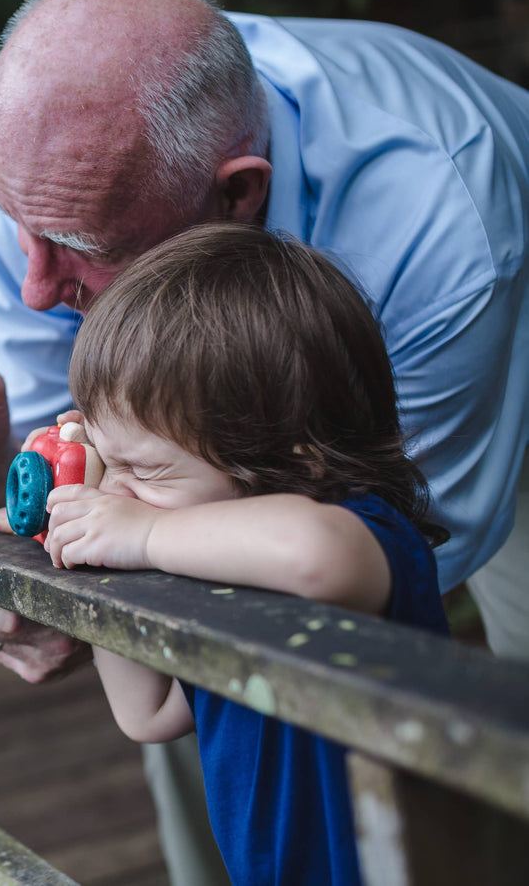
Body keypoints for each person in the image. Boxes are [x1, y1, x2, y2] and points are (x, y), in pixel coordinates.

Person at [0, 0, 529, 886]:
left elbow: (381, 538)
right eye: (20, 225)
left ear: (235, 196)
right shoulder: (49, 172)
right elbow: (52, 474)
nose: (34, 290)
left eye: (83, 251)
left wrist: (142, 528)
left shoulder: (436, 209)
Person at [50, 223, 448, 886]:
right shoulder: (207, 571)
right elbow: (145, 714)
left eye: (142, 469)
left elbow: (312, 552)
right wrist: (95, 543)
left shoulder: (364, 533)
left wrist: (138, 534)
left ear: (291, 460)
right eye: (105, 459)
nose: (117, 492)